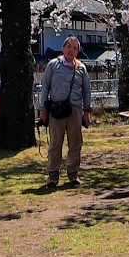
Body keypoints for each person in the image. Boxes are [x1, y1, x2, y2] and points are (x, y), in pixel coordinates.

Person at [38, 35, 91, 189]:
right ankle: (53, 175)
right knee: (55, 143)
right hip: (56, 109)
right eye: (69, 46)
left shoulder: (81, 68)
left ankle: (73, 174)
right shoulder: (53, 65)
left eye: (75, 48)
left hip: (75, 109)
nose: (71, 50)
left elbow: (86, 91)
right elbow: (45, 87)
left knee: (75, 143)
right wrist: (43, 109)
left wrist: (86, 111)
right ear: (63, 48)